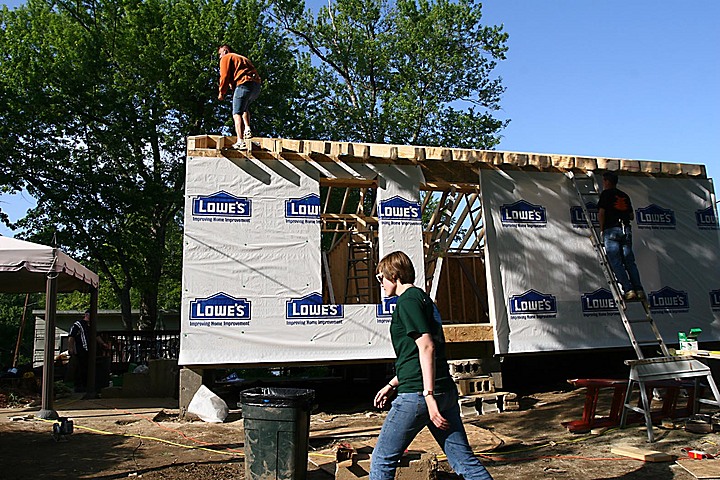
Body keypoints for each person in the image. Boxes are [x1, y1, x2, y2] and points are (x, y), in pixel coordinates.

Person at [370, 251, 493, 480]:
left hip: (419, 395)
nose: (380, 284)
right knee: (463, 461)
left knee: (382, 460)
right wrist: (392, 383)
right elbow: (416, 355)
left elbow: (427, 347)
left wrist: (428, 396)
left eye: (381, 278)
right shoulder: (424, 300)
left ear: (394, 275)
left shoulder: (407, 302)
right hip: (442, 390)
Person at [598, 172, 645, 301]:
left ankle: (628, 289)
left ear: (607, 181)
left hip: (611, 229)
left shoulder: (606, 194)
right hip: (626, 229)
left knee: (616, 262)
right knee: (629, 261)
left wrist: (602, 230)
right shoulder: (624, 195)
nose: (603, 184)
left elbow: (601, 213)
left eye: (604, 181)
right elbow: (631, 216)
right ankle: (639, 289)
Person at [217, 44, 261, 150]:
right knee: (244, 108)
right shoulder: (242, 58)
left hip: (244, 84)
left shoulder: (227, 57)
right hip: (256, 87)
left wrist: (222, 92)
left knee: (236, 113)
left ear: (225, 51)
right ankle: (247, 128)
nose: (219, 57)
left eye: (220, 54)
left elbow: (224, 76)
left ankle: (240, 141)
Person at [68, 310, 109, 392]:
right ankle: (80, 386)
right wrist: (70, 348)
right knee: (81, 368)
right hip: (82, 349)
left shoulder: (92, 326)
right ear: (87, 315)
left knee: (91, 368)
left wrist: (103, 344)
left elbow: (96, 336)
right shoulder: (78, 324)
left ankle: (89, 385)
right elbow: (71, 336)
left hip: (92, 350)